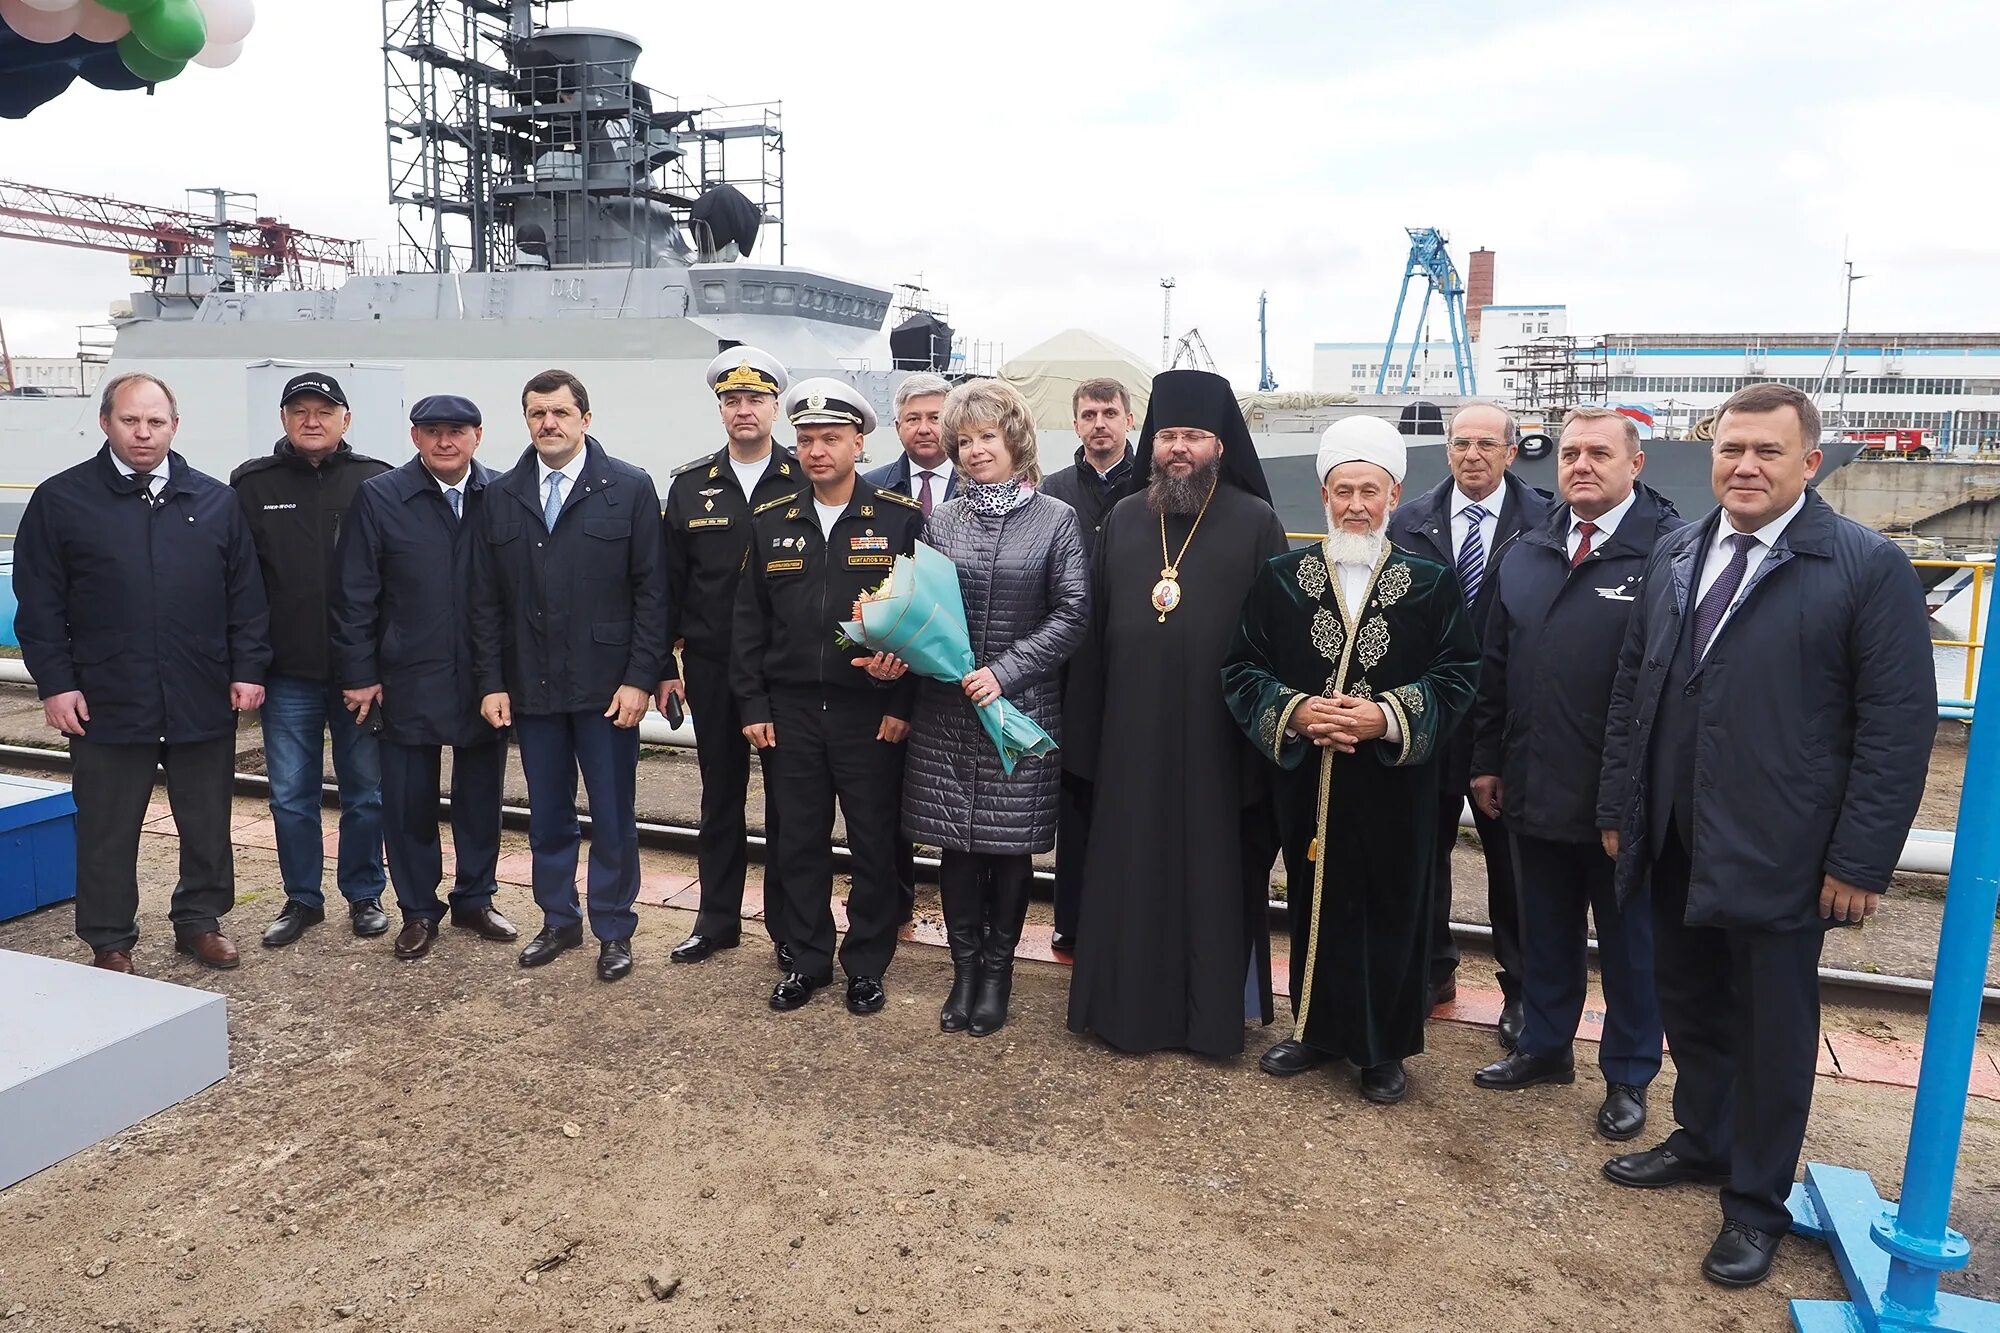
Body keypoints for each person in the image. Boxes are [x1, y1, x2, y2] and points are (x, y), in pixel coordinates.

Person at [1596, 383, 1934, 1287]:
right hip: (1674, 836)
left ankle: (1755, 1202)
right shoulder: (1677, 551)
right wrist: (1620, 811)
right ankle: (1704, 1140)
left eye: (1767, 452)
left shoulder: (1862, 566)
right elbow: (1636, 690)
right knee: (1694, 1007)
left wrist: (1860, 859)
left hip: (1784, 852)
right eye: (1730, 448)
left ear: (1809, 462)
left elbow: (1899, 721)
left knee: (1773, 1034)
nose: (1744, 466)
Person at [1224, 416, 1480, 1103]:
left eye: (1370, 490)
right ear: (1325, 495)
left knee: (1393, 909)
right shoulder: (1282, 578)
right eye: (1344, 491)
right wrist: (1300, 712)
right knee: (1313, 901)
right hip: (1309, 779)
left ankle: (1382, 1047)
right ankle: (1315, 1029)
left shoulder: (1430, 582)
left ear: (1394, 495)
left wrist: (1385, 715)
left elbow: (1459, 672)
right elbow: (1243, 669)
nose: (1357, 504)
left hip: (1396, 785)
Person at [1467, 406, 1681, 1138]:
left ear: (1635, 464)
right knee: (1545, 930)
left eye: (1598, 452)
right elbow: (1494, 670)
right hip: (1533, 783)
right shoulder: (1527, 552)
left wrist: (1638, 798)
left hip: (1622, 799)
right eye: (1569, 454)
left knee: (1631, 946)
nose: (1581, 465)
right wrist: (1487, 761)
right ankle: (1546, 1047)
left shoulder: (1669, 554)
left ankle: (1627, 1075)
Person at [1064, 368, 1288, 1059]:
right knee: (1128, 868)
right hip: (1130, 737)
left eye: (1193, 436)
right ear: (1151, 443)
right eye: (1167, 436)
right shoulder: (1126, 518)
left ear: (1220, 444)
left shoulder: (1256, 521)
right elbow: (1095, 637)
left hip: (1218, 744)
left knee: (1211, 875)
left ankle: (1207, 1020)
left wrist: (1261, 748)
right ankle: (1124, 1012)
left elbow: (1276, 645)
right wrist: (1088, 743)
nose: (1178, 449)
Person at [13, 373, 269, 972]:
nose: (144, 433)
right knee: (107, 823)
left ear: (174, 427)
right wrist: (55, 683)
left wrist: (248, 668)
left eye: (156, 422)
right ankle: (109, 938)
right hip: (104, 696)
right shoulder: (62, 500)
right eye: (131, 421)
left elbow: (246, 597)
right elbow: (40, 604)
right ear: (106, 422)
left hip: (199, 689)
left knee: (206, 817)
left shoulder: (213, 501)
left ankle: (200, 921)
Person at [886, 379, 1087, 1035]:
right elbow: (926, 606)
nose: (975, 451)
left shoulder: (1056, 518)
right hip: (949, 711)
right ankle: (963, 970)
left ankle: (996, 974)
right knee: (957, 848)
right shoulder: (942, 518)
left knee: (1008, 851)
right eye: (964, 440)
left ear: (1015, 441)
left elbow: (1074, 612)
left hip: (1018, 712)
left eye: (987, 438)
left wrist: (1005, 670)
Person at [733, 378, 924, 1015]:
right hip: (790, 712)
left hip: (867, 712)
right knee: (799, 842)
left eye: (831, 439)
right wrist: (753, 706)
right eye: (807, 439)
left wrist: (903, 705)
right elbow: (749, 623)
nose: (817, 451)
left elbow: (925, 622)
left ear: (858, 444)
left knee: (873, 842)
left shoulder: (898, 519)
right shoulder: (771, 521)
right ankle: (808, 960)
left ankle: (867, 963)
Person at [471, 369, 668, 982]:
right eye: (536, 414)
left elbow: (653, 593)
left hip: (608, 690)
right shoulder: (502, 495)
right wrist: (491, 681)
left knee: (613, 815)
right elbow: (485, 601)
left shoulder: (629, 488)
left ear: (586, 418)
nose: (548, 424)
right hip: (531, 688)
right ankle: (558, 918)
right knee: (547, 814)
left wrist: (640, 678)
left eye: (559, 412)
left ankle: (613, 926)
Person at [330, 394, 518, 961]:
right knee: (408, 802)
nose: (444, 441)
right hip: (406, 672)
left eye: (456, 431)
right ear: (414, 438)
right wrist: (361, 672)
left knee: (480, 796)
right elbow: (354, 594)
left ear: (477, 437)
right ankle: (417, 909)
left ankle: (475, 898)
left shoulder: (503, 495)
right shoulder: (381, 496)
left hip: (484, 676)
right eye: (431, 431)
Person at [1386, 402, 1551, 1041]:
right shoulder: (1411, 521)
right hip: (1428, 714)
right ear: (1446, 451)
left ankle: (1520, 989)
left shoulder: (1546, 522)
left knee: (1512, 862)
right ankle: (1432, 970)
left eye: (1487, 443)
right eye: (1461, 444)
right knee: (1421, 850)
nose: (1472, 455)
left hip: (1509, 719)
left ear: (1512, 451)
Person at [231, 372, 394, 948]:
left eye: (324, 410)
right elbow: (241, 583)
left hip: (360, 676)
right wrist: (247, 665)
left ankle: (364, 893)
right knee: (291, 796)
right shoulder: (252, 485)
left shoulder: (377, 481)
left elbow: (392, 581)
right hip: (287, 674)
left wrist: (376, 667)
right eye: (298, 410)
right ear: (283, 420)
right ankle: (302, 898)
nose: (312, 420)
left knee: (365, 793)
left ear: (345, 419)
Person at [659, 347, 800, 968]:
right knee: (720, 798)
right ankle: (716, 920)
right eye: (732, 400)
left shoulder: (805, 478)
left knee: (791, 804)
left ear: (776, 408)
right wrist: (665, 667)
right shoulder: (691, 486)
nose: (744, 410)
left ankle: (789, 926)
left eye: (756, 400)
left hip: (787, 668)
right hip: (713, 666)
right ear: (720, 409)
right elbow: (667, 584)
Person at [1038, 376, 1137, 952]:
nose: (1099, 423)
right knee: (1075, 792)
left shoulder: (1151, 486)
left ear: (1128, 419)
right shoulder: (1051, 492)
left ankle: (1122, 914)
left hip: (1131, 660)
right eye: (1088, 414)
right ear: (1075, 424)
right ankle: (1072, 920)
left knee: (1126, 788)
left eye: (1109, 412)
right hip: (1068, 666)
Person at [863, 370, 956, 917]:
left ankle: (963, 911)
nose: (925, 428)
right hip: (889, 672)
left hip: (958, 670)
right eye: (913, 419)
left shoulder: (986, 488)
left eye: (935, 416)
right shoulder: (871, 488)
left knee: (955, 795)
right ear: (897, 427)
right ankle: (893, 906)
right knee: (886, 800)